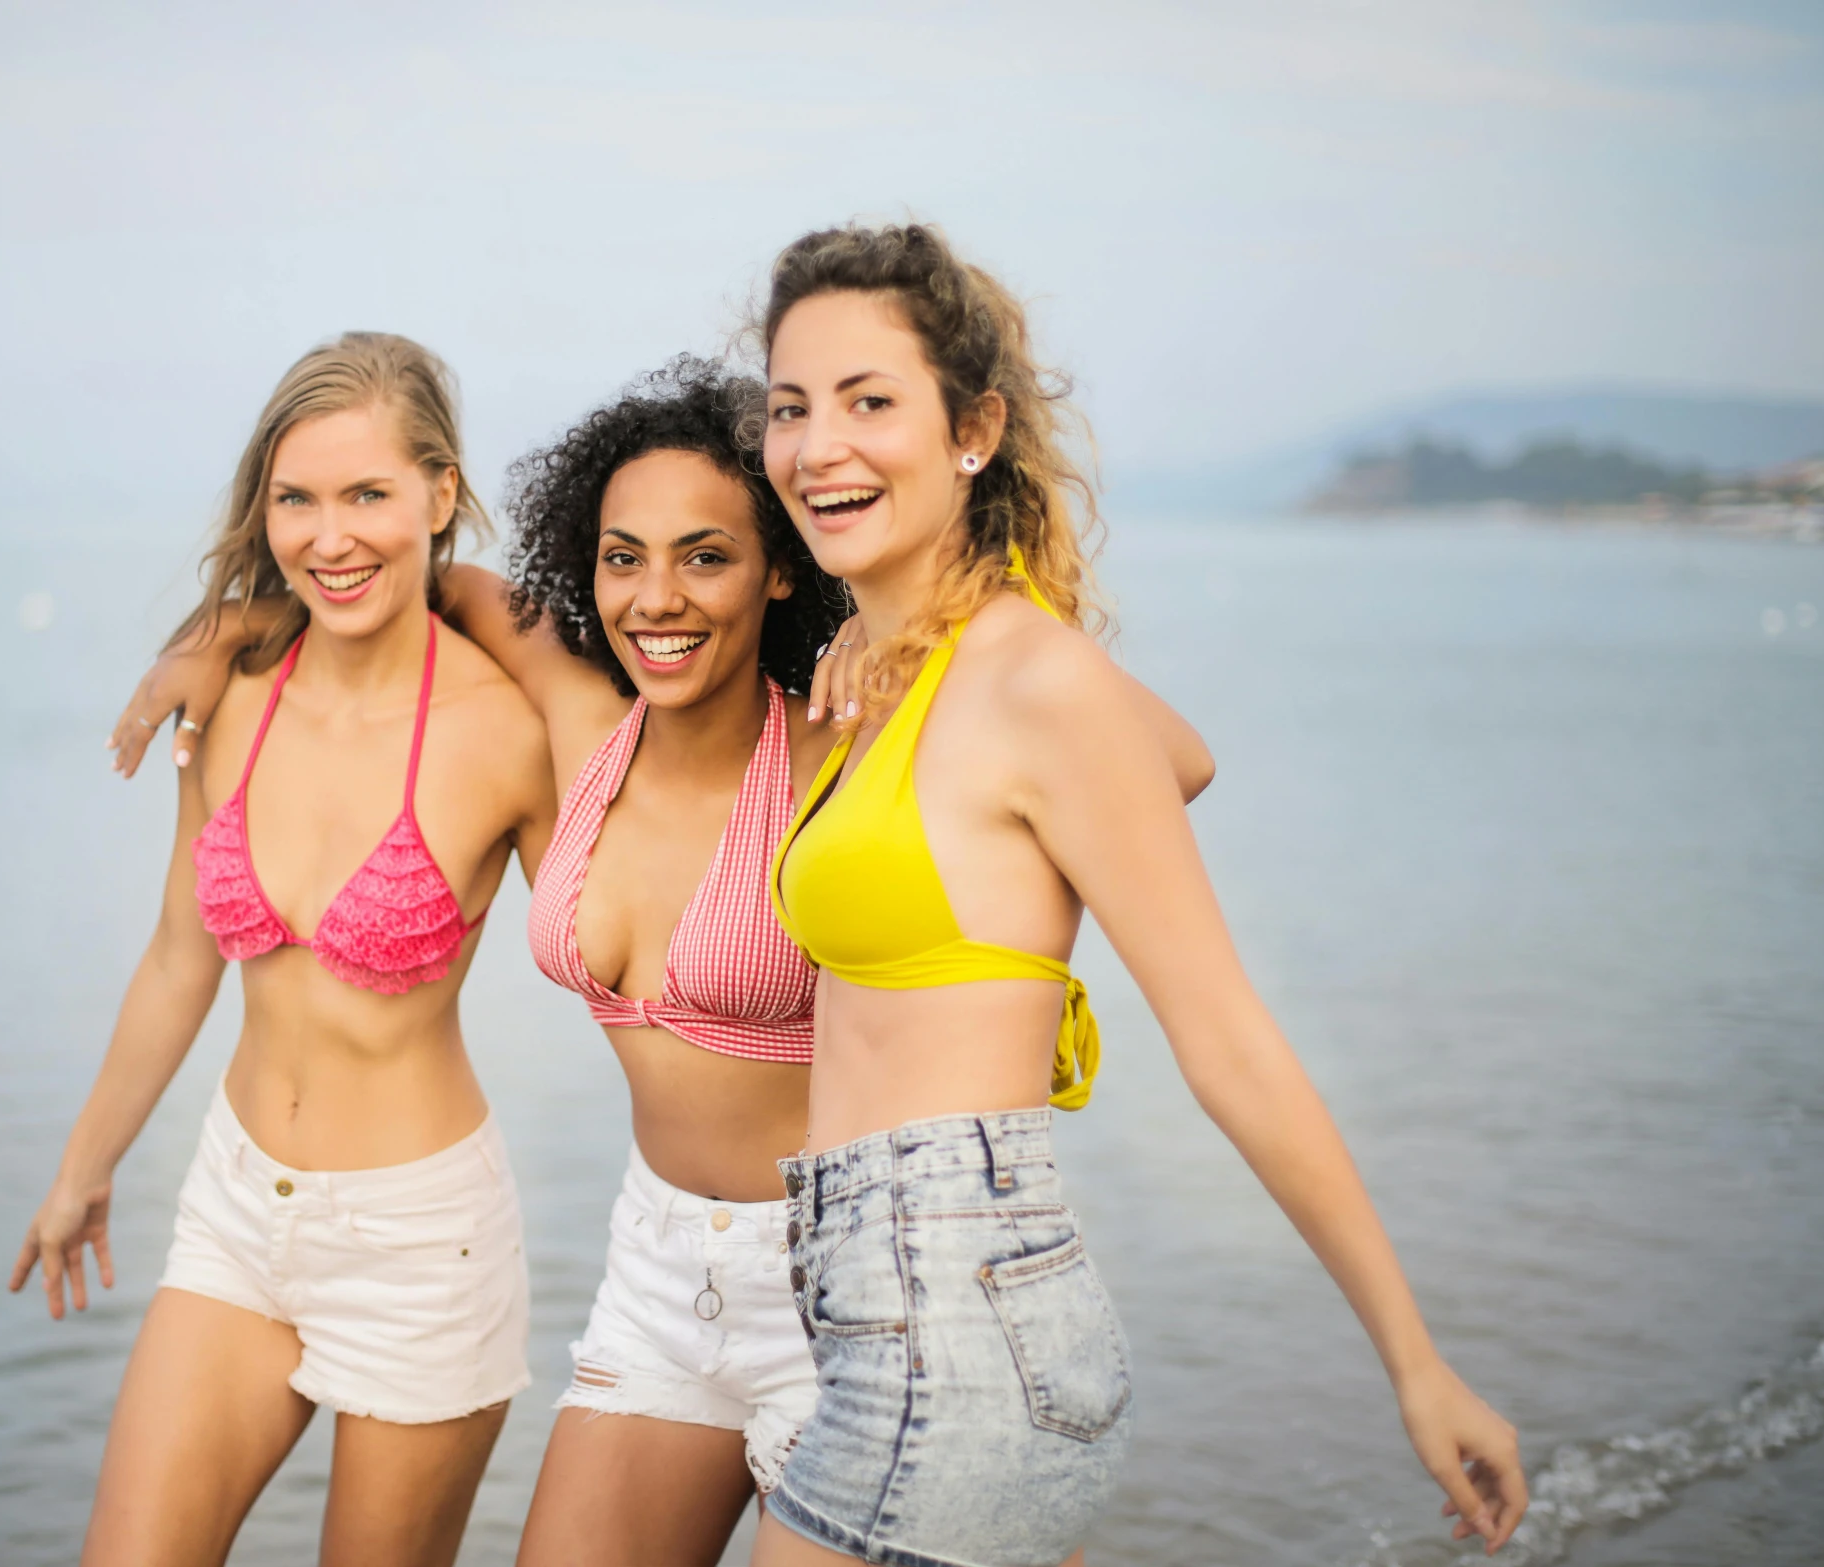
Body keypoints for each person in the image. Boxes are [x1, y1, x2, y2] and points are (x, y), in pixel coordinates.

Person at [108, 358, 1216, 1566]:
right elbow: (426, 579)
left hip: (847, 1287)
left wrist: (925, 627)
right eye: (622, 557)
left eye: (706, 555)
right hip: (660, 1273)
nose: (656, 597)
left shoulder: (845, 743)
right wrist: (227, 627)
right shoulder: (581, 718)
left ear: (780, 566)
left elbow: (1172, 755)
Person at [748, 223, 1529, 1567]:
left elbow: (1229, 1043)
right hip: (898, 1318)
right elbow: (1186, 753)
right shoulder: (923, 675)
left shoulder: (1032, 685)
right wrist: (869, 644)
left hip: (957, 1337)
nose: (820, 445)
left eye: (870, 401)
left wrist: (1413, 1359)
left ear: (971, 429)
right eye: (790, 407)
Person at [11, 332, 557, 1567]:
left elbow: (619, 934)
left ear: (440, 493)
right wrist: (82, 1168)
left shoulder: (500, 733)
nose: (330, 536)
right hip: (236, 1210)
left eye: (368, 493)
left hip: (422, 1244)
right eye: (296, 499)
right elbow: (176, 956)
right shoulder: (237, 691)